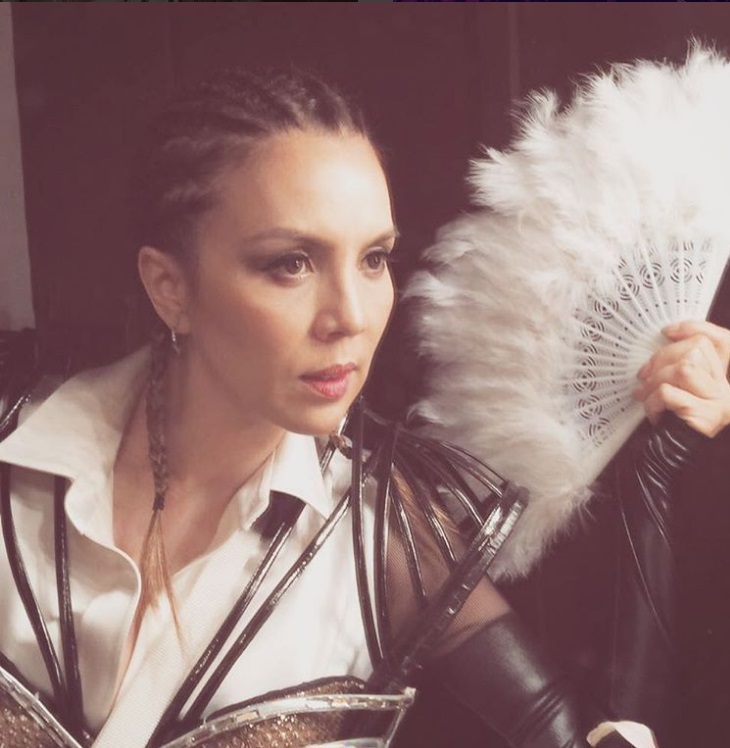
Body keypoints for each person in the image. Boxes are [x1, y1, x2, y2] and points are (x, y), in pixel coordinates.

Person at [0, 67, 727, 748]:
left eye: (374, 259)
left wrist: (652, 484)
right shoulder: (19, 453)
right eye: (291, 263)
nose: (350, 316)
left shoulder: (386, 539)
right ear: (170, 288)